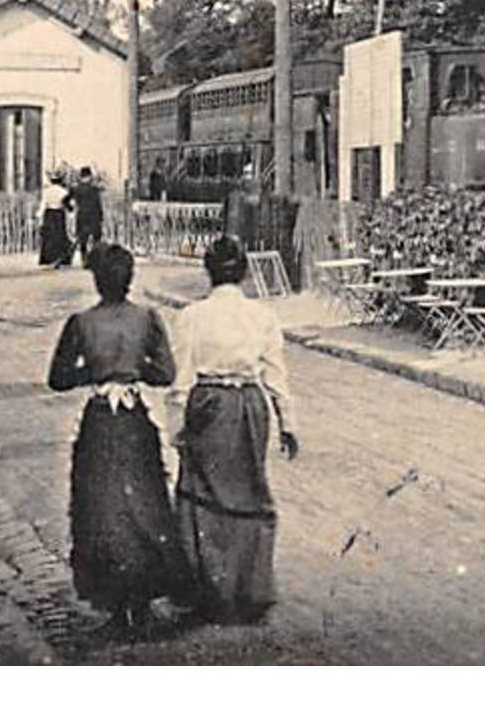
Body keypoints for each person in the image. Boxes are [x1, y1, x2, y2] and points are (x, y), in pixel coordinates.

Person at [46, 245, 189, 637]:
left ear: (96, 280)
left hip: (99, 420)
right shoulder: (148, 319)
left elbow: (57, 378)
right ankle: (141, 602)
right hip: (133, 417)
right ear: (130, 279)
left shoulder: (81, 322)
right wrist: (131, 368)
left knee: (101, 506)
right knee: (143, 501)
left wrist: (95, 373)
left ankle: (115, 605)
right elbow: (165, 374)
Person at [168, 235, 299, 624]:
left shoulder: (192, 315)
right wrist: (288, 423)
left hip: (208, 402)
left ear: (208, 273)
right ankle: (250, 589)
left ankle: (209, 590)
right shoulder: (262, 316)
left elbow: (181, 379)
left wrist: (176, 428)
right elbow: (276, 373)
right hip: (250, 405)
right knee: (249, 487)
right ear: (243, 273)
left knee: (201, 490)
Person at [64, 166, 104, 267]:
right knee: (96, 238)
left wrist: (71, 208)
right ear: (89, 176)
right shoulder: (94, 189)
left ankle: (84, 260)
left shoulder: (76, 189)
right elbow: (97, 203)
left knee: (83, 239)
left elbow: (65, 200)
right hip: (94, 215)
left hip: (82, 215)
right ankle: (95, 259)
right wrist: (101, 215)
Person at [37, 173, 73, 269]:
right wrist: (71, 213)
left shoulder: (46, 191)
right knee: (59, 236)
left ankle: (48, 259)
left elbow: (43, 204)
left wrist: (39, 215)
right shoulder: (63, 192)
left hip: (49, 214)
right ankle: (60, 258)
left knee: (49, 237)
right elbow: (68, 205)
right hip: (59, 214)